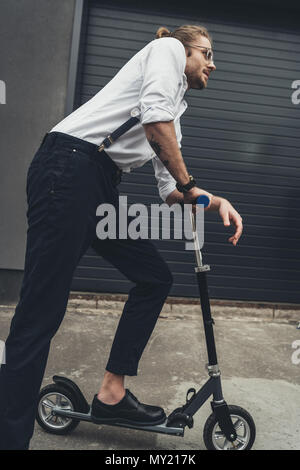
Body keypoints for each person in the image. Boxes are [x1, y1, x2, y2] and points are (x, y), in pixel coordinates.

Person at [0, 24, 243, 450]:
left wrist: (213, 200)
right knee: (41, 311)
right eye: (205, 52)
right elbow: (155, 128)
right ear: (183, 51)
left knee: (154, 277)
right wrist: (190, 185)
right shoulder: (165, 48)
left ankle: (112, 394)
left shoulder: (175, 109)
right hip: (69, 167)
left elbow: (171, 189)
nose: (212, 63)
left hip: (98, 183)